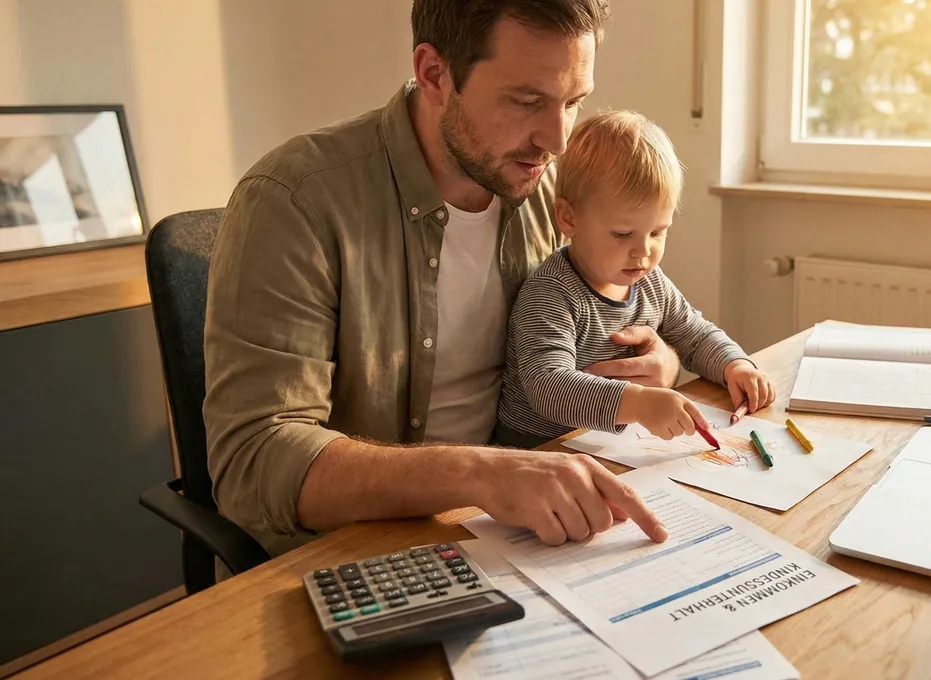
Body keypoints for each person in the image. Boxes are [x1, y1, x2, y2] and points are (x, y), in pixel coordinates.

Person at [202, 0, 684, 558]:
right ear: (434, 74)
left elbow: (617, 308)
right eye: (527, 101)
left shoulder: (553, 192)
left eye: (573, 102)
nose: (556, 140)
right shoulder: (295, 202)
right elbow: (253, 462)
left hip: (513, 527)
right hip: (353, 553)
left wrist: (661, 360)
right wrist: (480, 473)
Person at [496, 111, 775, 448]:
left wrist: (735, 364)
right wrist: (638, 402)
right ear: (568, 218)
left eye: (658, 232)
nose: (643, 252)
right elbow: (549, 388)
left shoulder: (650, 281)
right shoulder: (551, 294)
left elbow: (695, 334)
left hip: (611, 443)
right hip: (537, 448)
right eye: (622, 233)